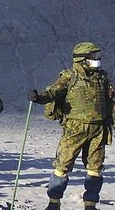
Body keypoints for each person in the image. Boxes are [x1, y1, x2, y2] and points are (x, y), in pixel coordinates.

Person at [28, 42, 114, 210]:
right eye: (93, 57)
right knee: (62, 165)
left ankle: (90, 204)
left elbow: (109, 102)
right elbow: (53, 92)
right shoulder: (70, 76)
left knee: (95, 168)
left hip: (98, 129)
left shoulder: (102, 77)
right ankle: (54, 202)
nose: (97, 59)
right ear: (82, 59)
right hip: (75, 129)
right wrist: (38, 98)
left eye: (97, 56)